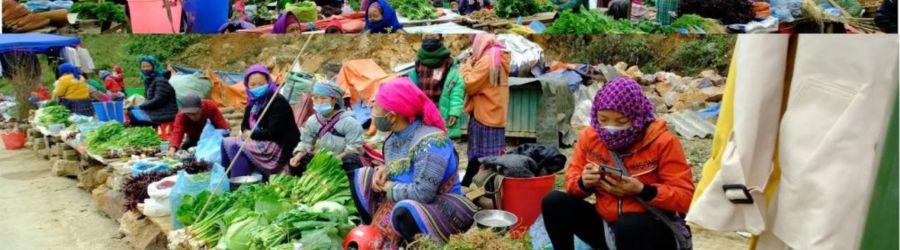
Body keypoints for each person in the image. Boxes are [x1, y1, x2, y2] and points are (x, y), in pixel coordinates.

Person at [540, 78, 694, 250]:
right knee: (554, 201)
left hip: (651, 231)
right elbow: (571, 181)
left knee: (628, 223)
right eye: (603, 119)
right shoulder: (590, 137)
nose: (610, 128)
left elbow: (685, 197)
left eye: (621, 121)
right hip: (608, 227)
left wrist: (644, 191)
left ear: (637, 116)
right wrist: (584, 183)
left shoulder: (663, 142)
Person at [349, 78, 477, 247]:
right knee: (361, 177)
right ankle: (376, 234)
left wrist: (388, 187)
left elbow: (423, 193)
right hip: (404, 196)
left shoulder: (431, 142)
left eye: (375, 107)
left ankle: (418, 243)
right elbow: (404, 166)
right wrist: (384, 170)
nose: (371, 112)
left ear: (392, 116)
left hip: (441, 205)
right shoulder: (394, 136)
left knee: (405, 211)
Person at [221, 64, 300, 180]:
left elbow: (274, 132)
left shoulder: (277, 102)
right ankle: (228, 179)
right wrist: (247, 133)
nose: (257, 87)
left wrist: (251, 134)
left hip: (277, 146)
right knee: (226, 142)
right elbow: (244, 125)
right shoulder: (253, 102)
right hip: (259, 140)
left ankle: (238, 184)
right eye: (253, 85)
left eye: (261, 84)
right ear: (247, 86)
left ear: (268, 82)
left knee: (238, 146)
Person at [459, 34, 511, 187]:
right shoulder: (498, 55)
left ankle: (471, 188)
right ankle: (485, 188)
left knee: (481, 159)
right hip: (495, 113)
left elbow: (469, 84)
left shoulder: (487, 59)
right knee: (493, 159)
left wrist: (466, 66)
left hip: (484, 115)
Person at [290, 82, 364, 166]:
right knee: (302, 158)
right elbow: (306, 142)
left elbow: (354, 148)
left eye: (323, 98)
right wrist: (299, 154)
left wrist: (334, 160)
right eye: (315, 98)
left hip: (340, 161)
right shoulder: (313, 120)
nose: (319, 101)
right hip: (322, 161)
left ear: (334, 100)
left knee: (351, 159)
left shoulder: (350, 122)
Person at [408, 34, 465, 139]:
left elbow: (456, 89)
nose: (429, 40)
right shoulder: (419, 62)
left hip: (441, 113)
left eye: (433, 36)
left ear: (441, 39)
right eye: (426, 37)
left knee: (441, 143)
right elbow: (411, 88)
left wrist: (454, 112)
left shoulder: (448, 62)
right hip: (422, 114)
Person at [128, 56, 178, 127]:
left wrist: (140, 106)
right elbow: (147, 99)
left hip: (165, 114)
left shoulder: (160, 80)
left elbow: (158, 100)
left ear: (154, 67)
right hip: (155, 111)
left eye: (148, 66)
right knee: (131, 111)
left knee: (132, 114)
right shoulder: (149, 81)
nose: (145, 69)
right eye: (143, 66)